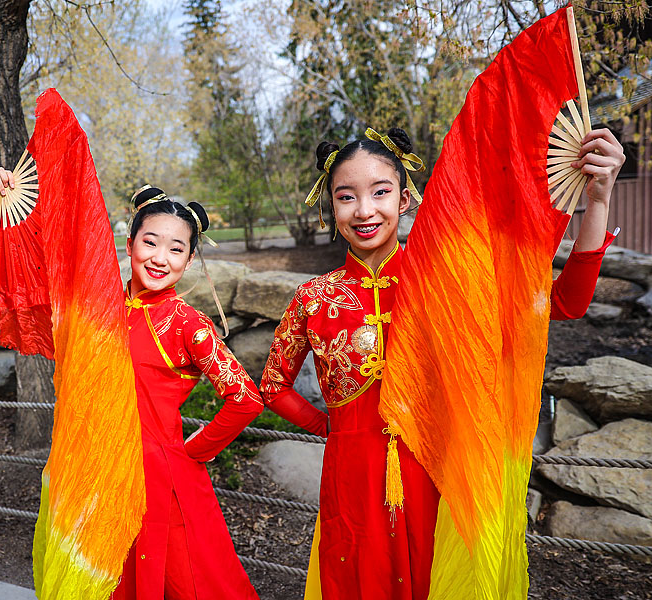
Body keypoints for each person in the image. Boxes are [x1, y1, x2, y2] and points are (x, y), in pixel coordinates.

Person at [259, 127, 625, 599]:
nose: (364, 210)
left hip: (438, 472)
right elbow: (272, 384)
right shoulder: (313, 297)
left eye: (380, 192)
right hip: (350, 483)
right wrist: (333, 427)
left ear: (406, 197)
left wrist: (598, 201)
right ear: (331, 207)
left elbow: (566, 302)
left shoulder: (446, 279)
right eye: (346, 197)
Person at [0, 178, 261, 600]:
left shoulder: (188, 324)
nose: (160, 258)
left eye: (176, 249)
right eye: (150, 243)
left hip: (156, 482)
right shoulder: (97, 304)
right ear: (129, 245)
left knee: (180, 584)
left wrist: (193, 450)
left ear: (189, 260)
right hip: (92, 469)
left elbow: (245, 399)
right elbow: (33, 285)